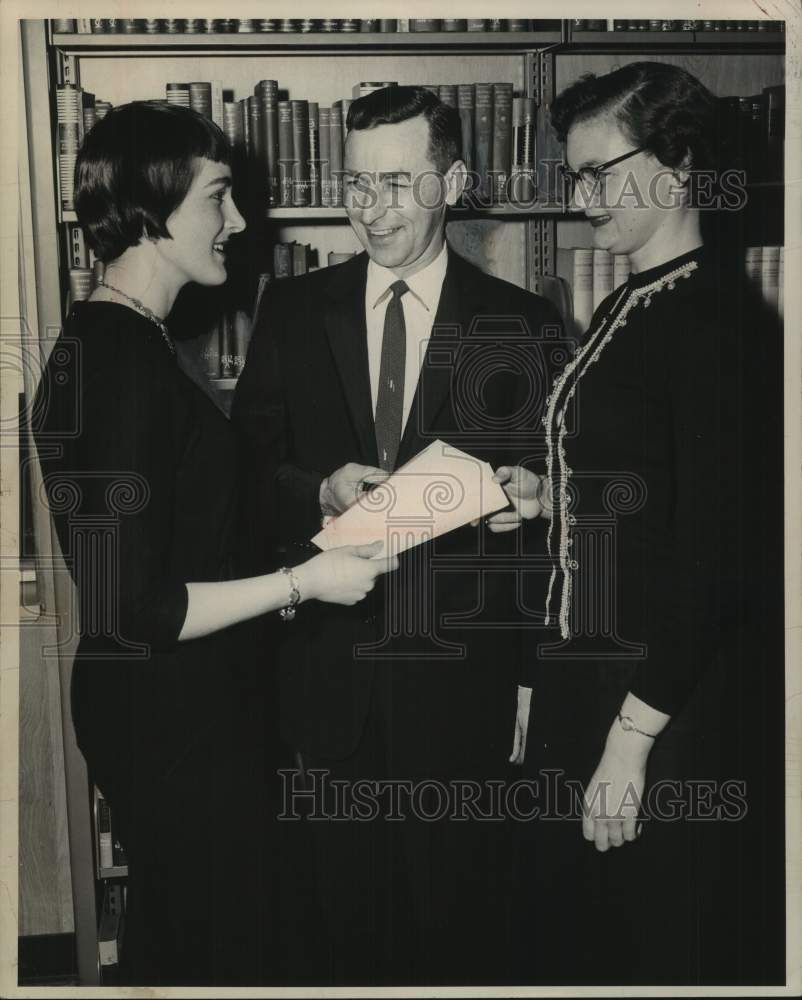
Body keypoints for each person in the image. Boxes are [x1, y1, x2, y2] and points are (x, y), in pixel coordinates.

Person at [32, 101, 397, 986]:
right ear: (153, 209)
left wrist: (319, 489)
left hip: (176, 705)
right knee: (225, 949)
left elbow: (196, 499)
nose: (240, 222)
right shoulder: (123, 366)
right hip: (174, 719)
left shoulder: (123, 340)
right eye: (219, 198)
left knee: (203, 937)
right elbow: (139, 606)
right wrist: (304, 583)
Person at [233, 85, 563, 984]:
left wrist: (530, 504)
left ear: (452, 180)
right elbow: (245, 481)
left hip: (465, 689)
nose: (371, 211)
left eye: (397, 184)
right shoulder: (293, 312)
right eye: (355, 184)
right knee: (337, 935)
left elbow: (551, 525)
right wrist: (316, 491)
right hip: (326, 683)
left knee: (460, 932)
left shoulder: (525, 325)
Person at [503, 62, 785, 983]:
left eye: (600, 174)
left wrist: (631, 741)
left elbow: (718, 557)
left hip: (669, 708)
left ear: (680, 163)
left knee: (664, 946)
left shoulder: (716, 323)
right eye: (573, 177)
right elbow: (647, 485)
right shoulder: (631, 297)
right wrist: (550, 496)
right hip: (604, 682)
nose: (583, 200)